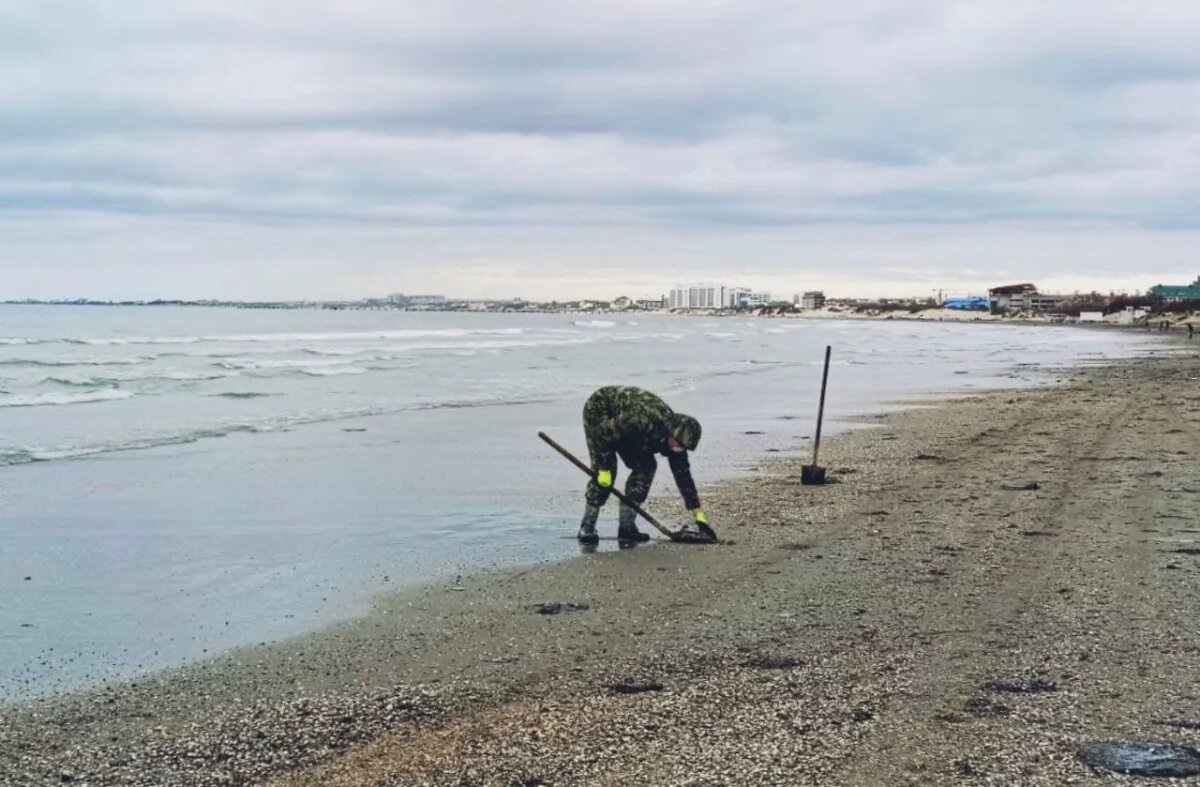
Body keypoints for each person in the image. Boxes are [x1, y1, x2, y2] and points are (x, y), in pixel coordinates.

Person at [578, 385, 711, 545]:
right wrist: (604, 467)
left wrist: (698, 515)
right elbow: (604, 434)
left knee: (646, 467)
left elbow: (683, 476)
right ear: (673, 432)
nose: (679, 449)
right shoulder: (642, 418)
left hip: (632, 432)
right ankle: (587, 527)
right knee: (606, 475)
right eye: (679, 444)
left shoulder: (677, 440)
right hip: (601, 413)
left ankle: (627, 527)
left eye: (683, 447)